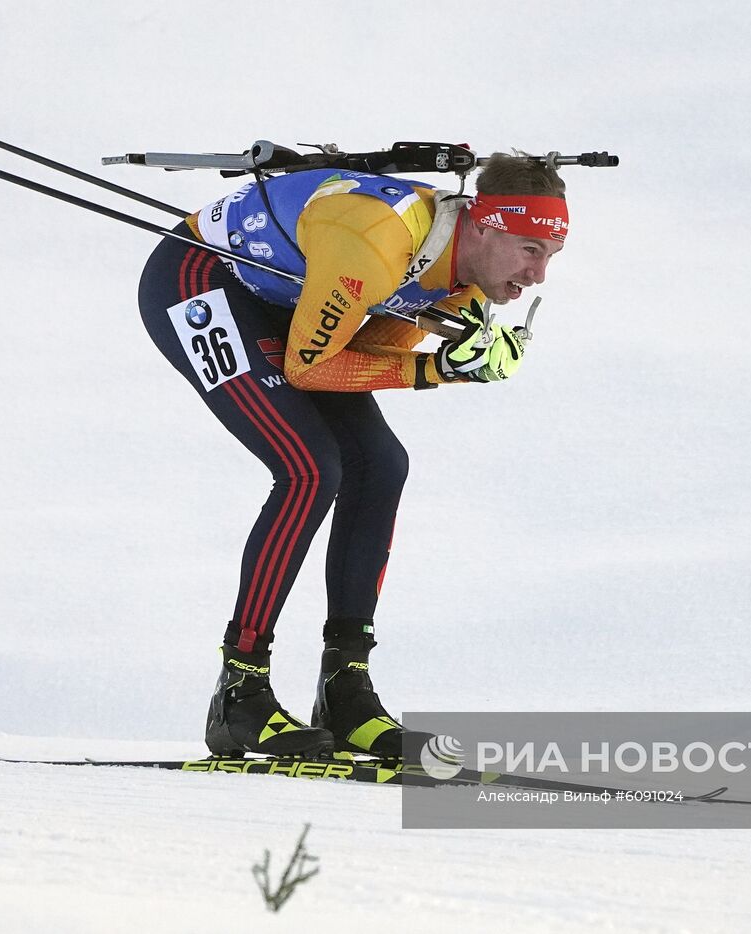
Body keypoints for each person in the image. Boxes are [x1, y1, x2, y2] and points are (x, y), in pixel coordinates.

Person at [137, 153, 567, 758]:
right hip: (202, 280)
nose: (539, 275)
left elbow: (368, 350)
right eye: (530, 249)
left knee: (380, 465)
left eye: (550, 254)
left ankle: (346, 689)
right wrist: (439, 368)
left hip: (294, 298)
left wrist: (450, 356)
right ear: (485, 224)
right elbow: (310, 368)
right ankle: (241, 692)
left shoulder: (457, 277)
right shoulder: (377, 242)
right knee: (308, 470)